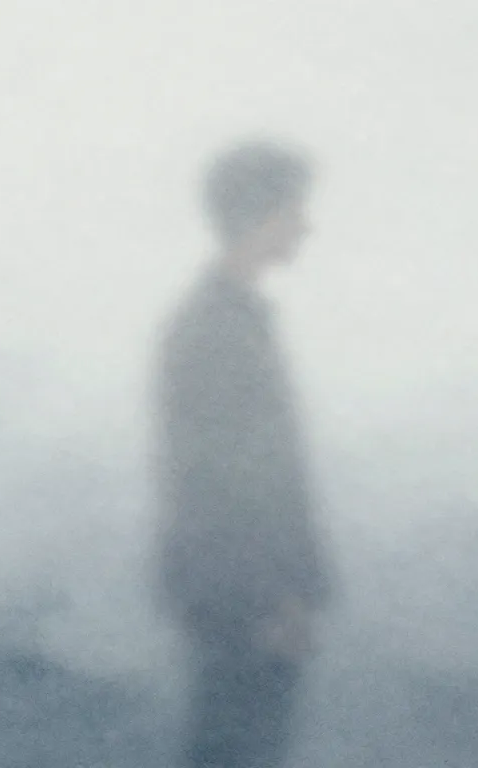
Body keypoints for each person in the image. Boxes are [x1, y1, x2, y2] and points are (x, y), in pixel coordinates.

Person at [154, 139, 334, 768]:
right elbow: (221, 482)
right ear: (261, 215)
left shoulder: (227, 320)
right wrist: (271, 599)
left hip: (233, 594)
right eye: (295, 209)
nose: (306, 226)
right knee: (237, 749)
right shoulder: (217, 330)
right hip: (241, 600)